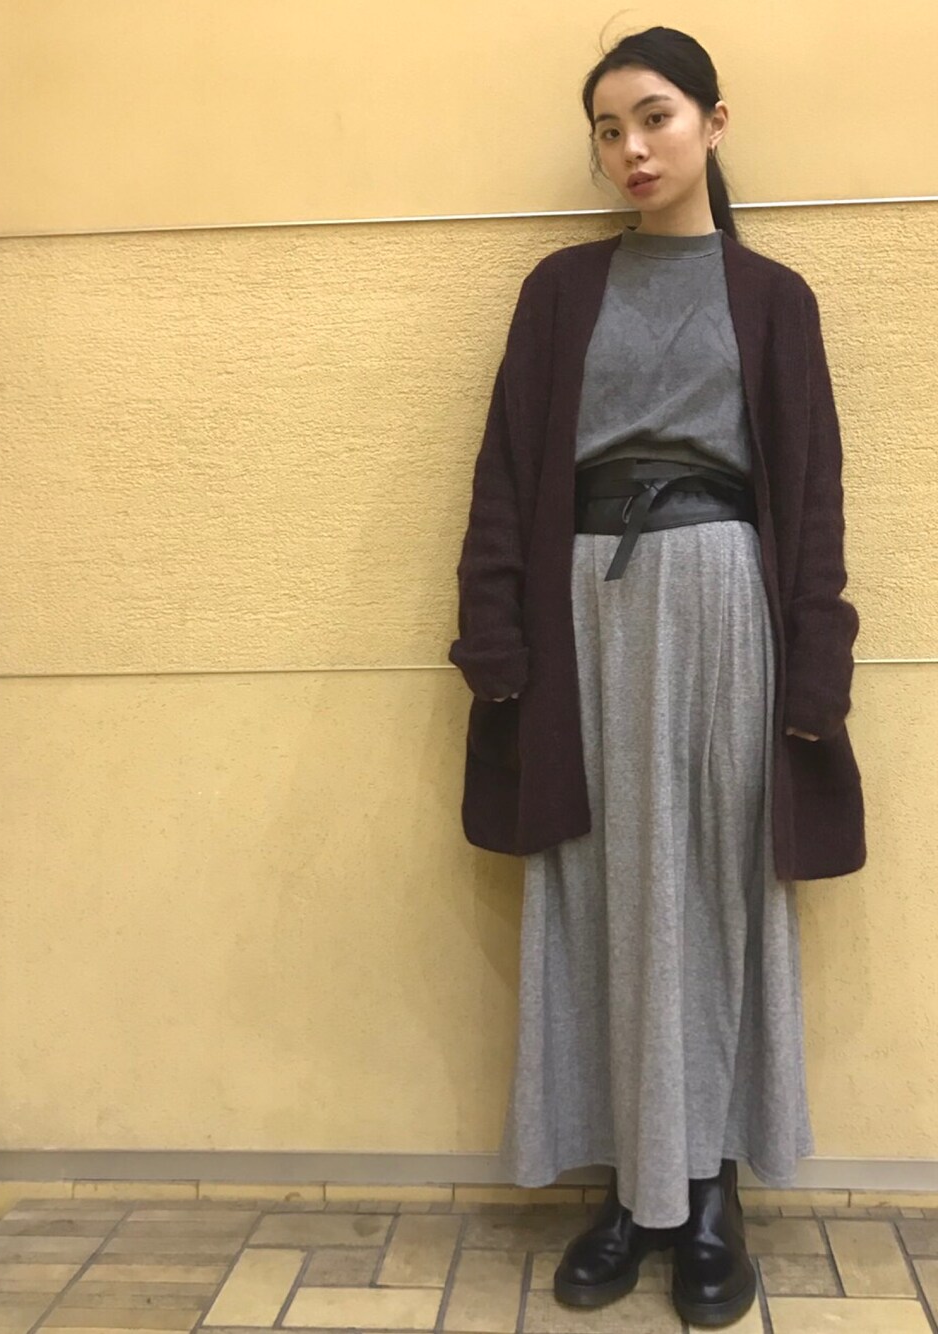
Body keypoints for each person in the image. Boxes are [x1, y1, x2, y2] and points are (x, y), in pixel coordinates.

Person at [450, 25, 860, 1330]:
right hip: (583, 610)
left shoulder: (774, 298)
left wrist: (819, 661)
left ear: (713, 123)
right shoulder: (559, 292)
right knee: (601, 890)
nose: (631, 148)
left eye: (655, 117)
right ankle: (629, 1192)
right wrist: (494, 633)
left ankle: (712, 1193)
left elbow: (812, 494)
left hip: (726, 600)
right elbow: (506, 471)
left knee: (719, 891)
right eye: (608, 129)